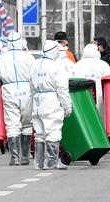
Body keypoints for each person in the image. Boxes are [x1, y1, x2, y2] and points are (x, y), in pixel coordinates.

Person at [0, 31, 35, 166]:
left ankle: (15, 157)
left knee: (12, 124)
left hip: (9, 91)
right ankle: (25, 156)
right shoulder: (29, 57)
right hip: (27, 91)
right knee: (27, 124)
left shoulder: (0, 60)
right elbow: (35, 76)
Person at [29, 40, 72, 170]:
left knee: (39, 133)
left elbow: (30, 84)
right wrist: (67, 106)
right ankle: (52, 162)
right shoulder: (56, 67)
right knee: (53, 130)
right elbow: (62, 89)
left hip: (37, 100)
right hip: (51, 101)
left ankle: (39, 162)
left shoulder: (35, 64)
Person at [72, 43, 110, 112]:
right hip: (99, 97)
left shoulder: (76, 65)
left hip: (80, 96)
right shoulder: (103, 64)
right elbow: (109, 83)